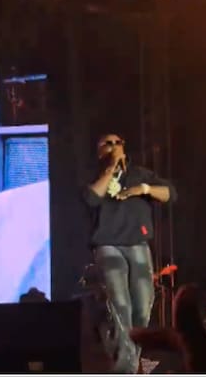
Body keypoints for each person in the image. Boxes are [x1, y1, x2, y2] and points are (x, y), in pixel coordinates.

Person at [81, 133, 177, 373]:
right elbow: (92, 198)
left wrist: (143, 189)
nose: (114, 146)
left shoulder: (140, 174)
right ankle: (126, 370)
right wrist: (111, 167)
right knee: (120, 304)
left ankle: (126, 360)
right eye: (107, 143)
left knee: (143, 306)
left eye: (118, 143)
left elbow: (170, 194)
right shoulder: (93, 174)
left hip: (138, 243)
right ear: (99, 151)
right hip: (107, 245)